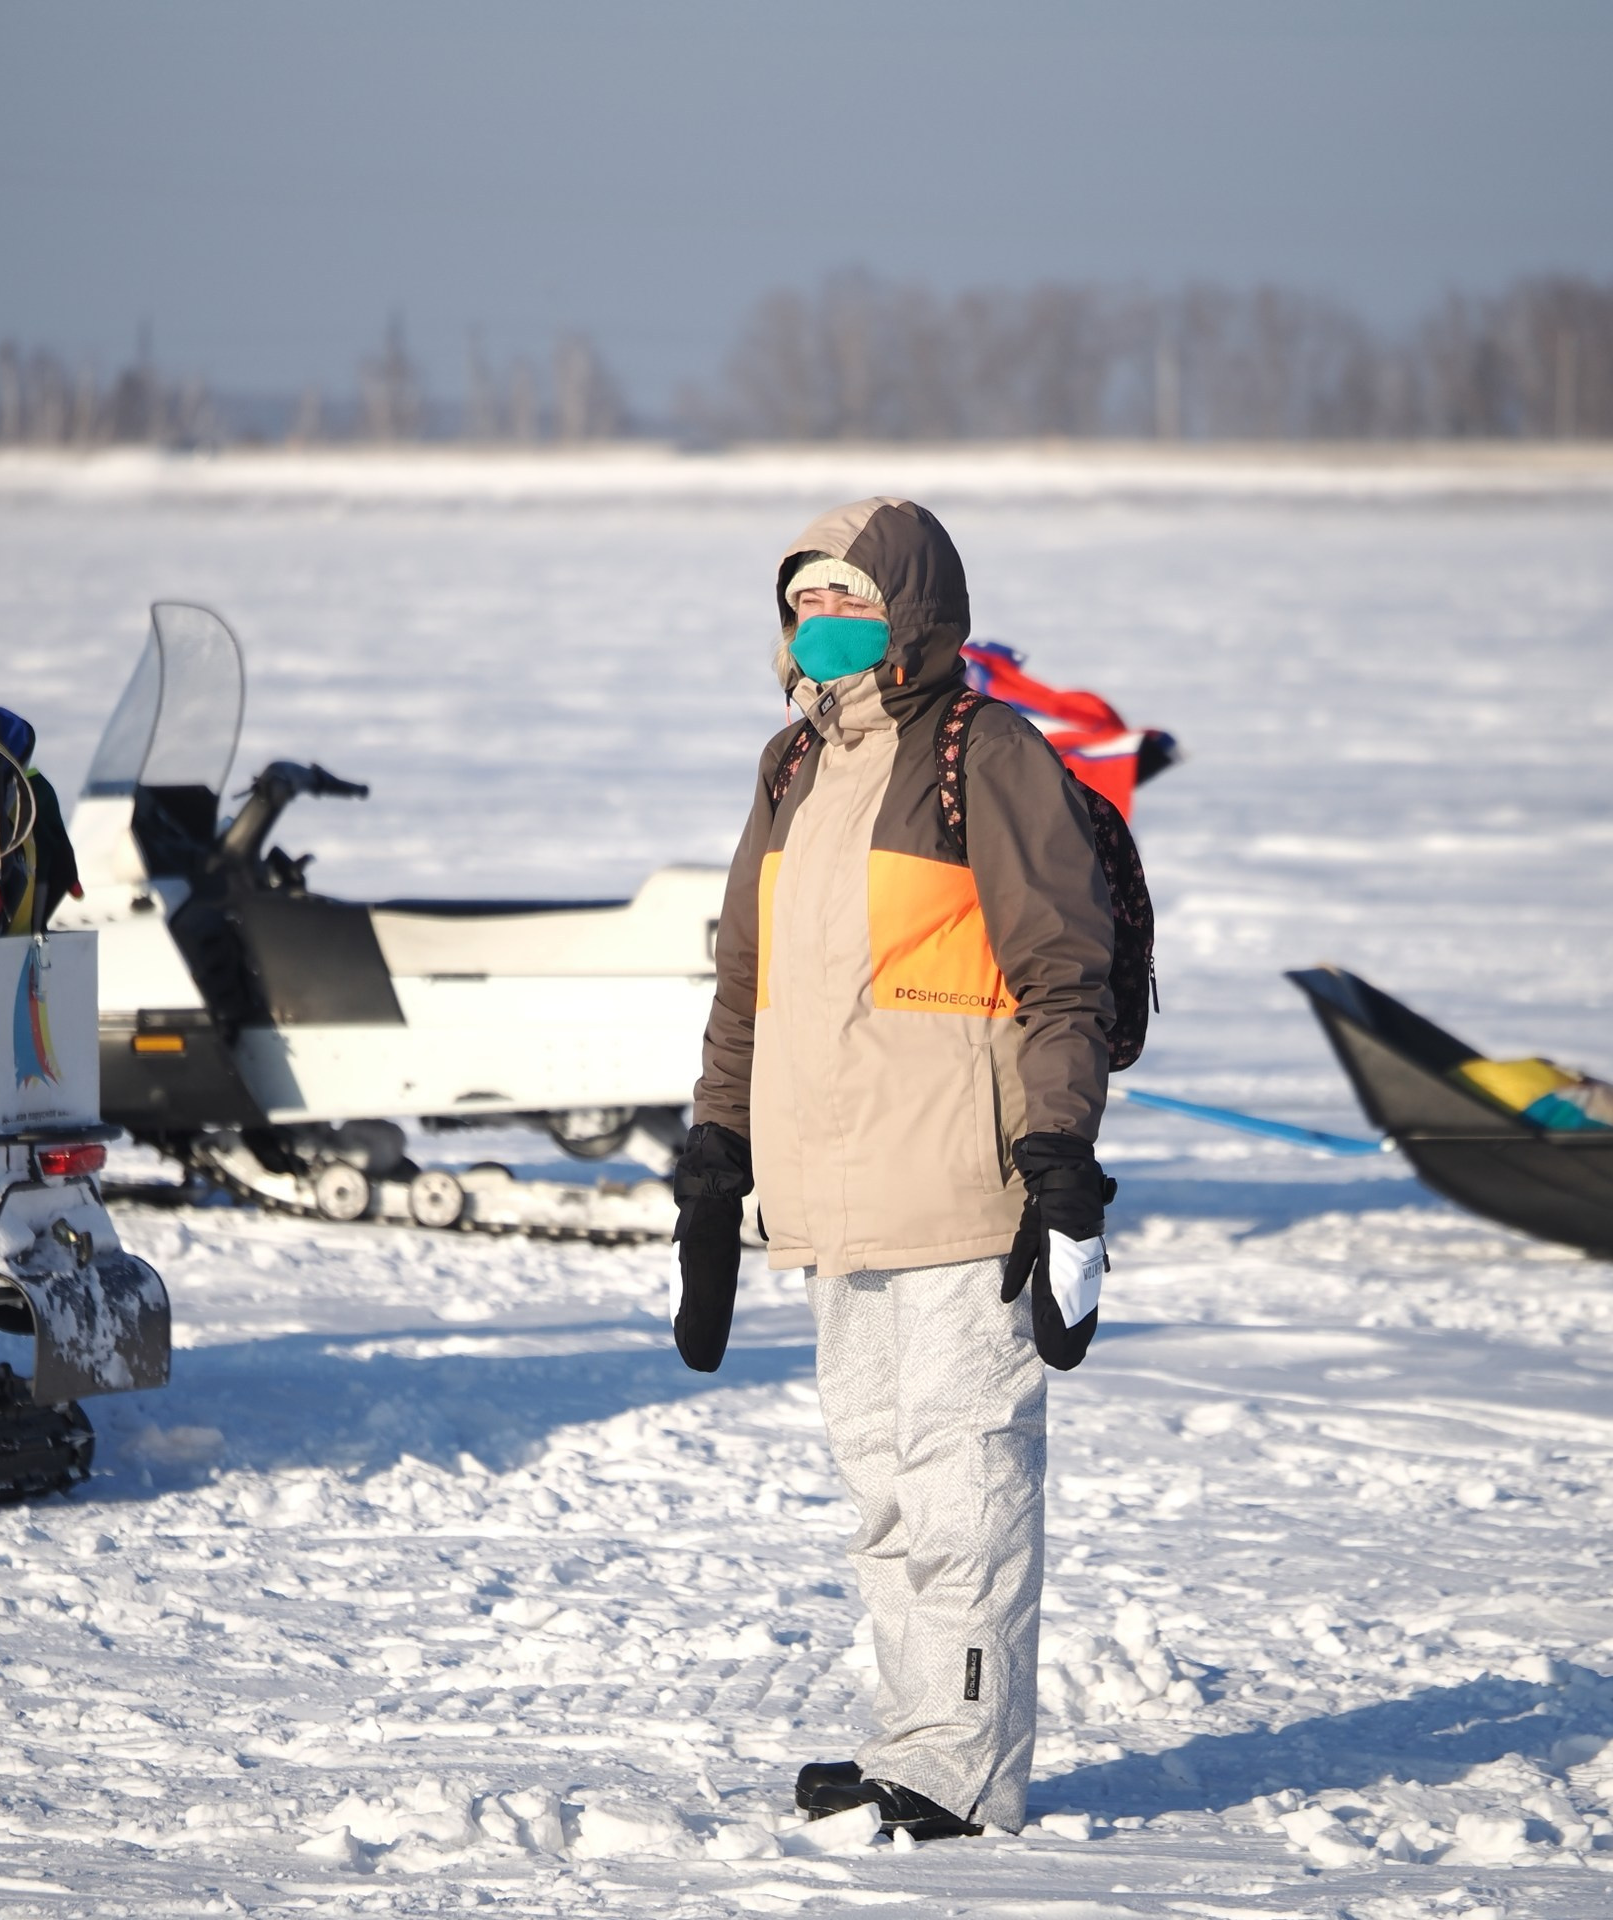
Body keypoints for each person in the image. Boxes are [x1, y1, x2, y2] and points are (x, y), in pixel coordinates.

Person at [672, 497, 1116, 1841]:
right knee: (883, 1491)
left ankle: (964, 1770)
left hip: (967, 1195)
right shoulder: (793, 764)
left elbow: (1063, 976)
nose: (820, 623)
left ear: (909, 612)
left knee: (963, 1486)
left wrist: (1060, 1157)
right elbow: (747, 988)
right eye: (802, 601)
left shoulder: (989, 754)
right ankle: (912, 1740)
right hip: (830, 1206)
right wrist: (715, 1156)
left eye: (847, 599)